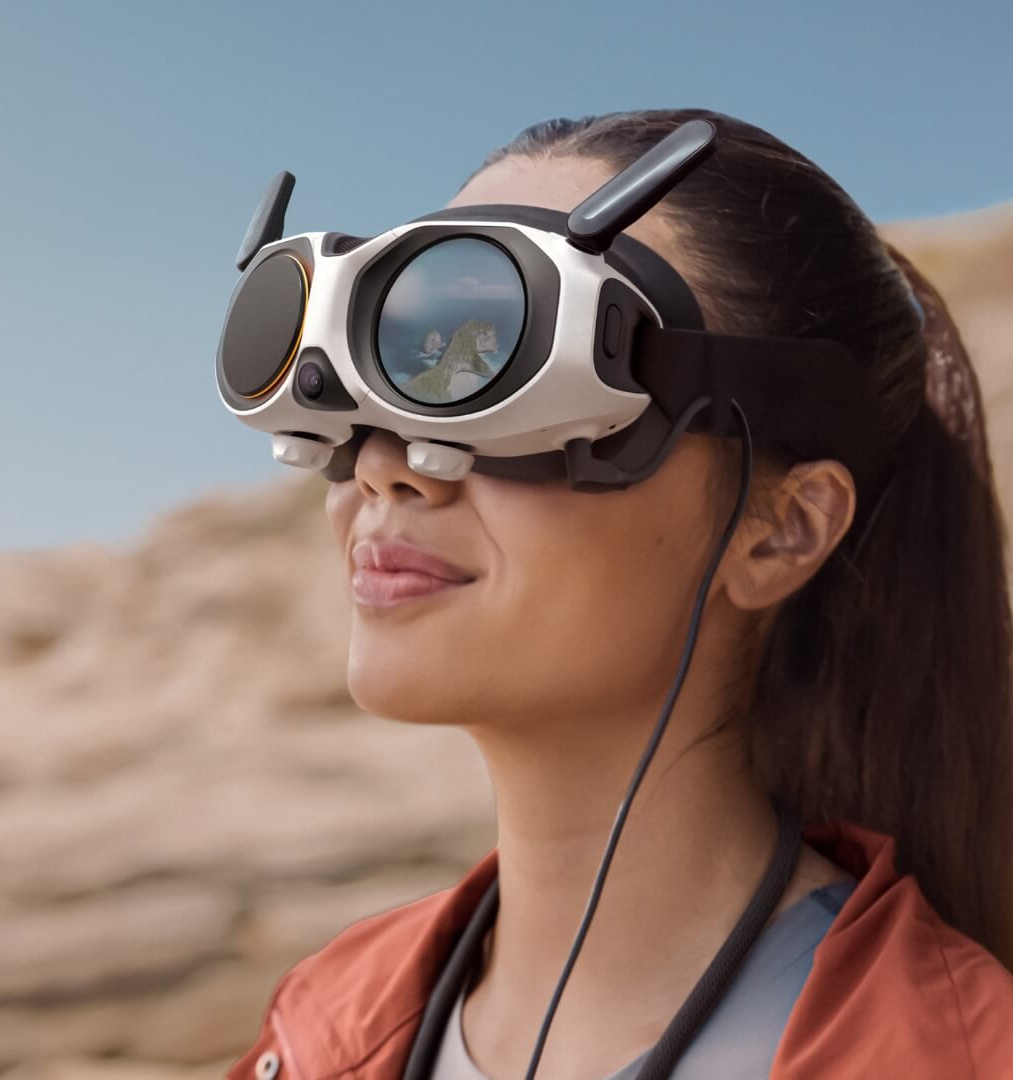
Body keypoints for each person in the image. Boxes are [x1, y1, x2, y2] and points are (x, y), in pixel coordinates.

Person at [227, 109, 1013, 1079]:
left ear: (784, 529)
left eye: (505, 369)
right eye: (382, 372)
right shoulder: (323, 1026)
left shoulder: (961, 1055)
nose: (384, 466)